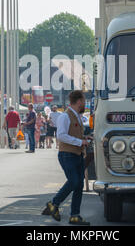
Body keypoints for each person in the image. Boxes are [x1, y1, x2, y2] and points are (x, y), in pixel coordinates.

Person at [42, 90, 92, 226]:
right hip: (67, 154)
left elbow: (73, 134)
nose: (84, 105)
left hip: (77, 154)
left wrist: (84, 138)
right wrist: (80, 142)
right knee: (74, 181)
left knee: (79, 185)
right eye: (83, 102)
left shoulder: (77, 116)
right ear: (79, 102)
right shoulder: (65, 116)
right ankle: (54, 203)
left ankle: (75, 216)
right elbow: (61, 136)